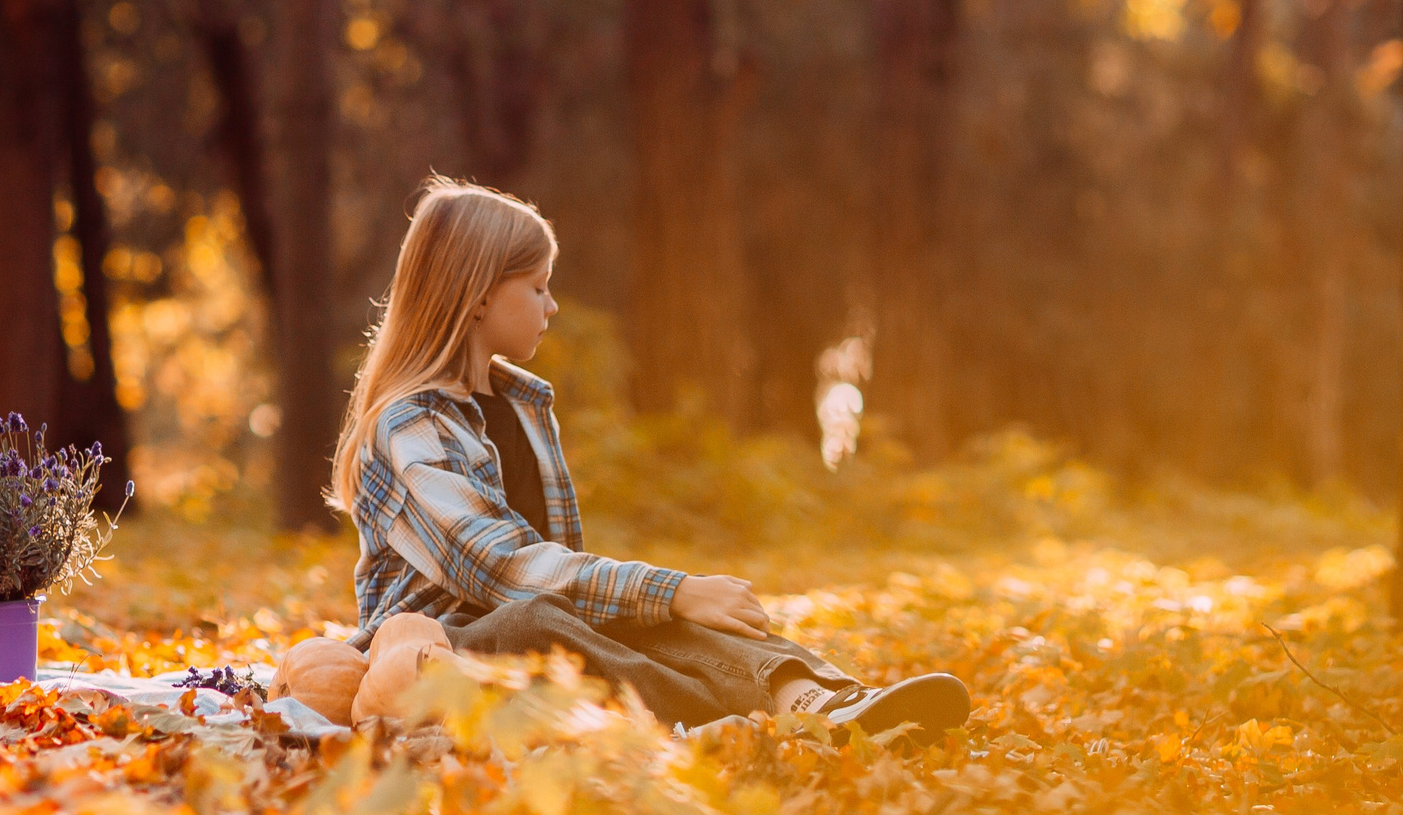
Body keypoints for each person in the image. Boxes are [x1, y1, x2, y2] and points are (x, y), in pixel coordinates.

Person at [331, 178, 971, 739]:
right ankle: (776, 716)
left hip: (540, 635)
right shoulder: (410, 421)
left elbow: (562, 577)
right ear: (478, 296)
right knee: (560, 616)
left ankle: (820, 698)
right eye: (538, 287)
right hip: (440, 660)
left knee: (620, 613)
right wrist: (673, 592)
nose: (552, 305)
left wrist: (663, 600)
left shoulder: (523, 406)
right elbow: (496, 567)